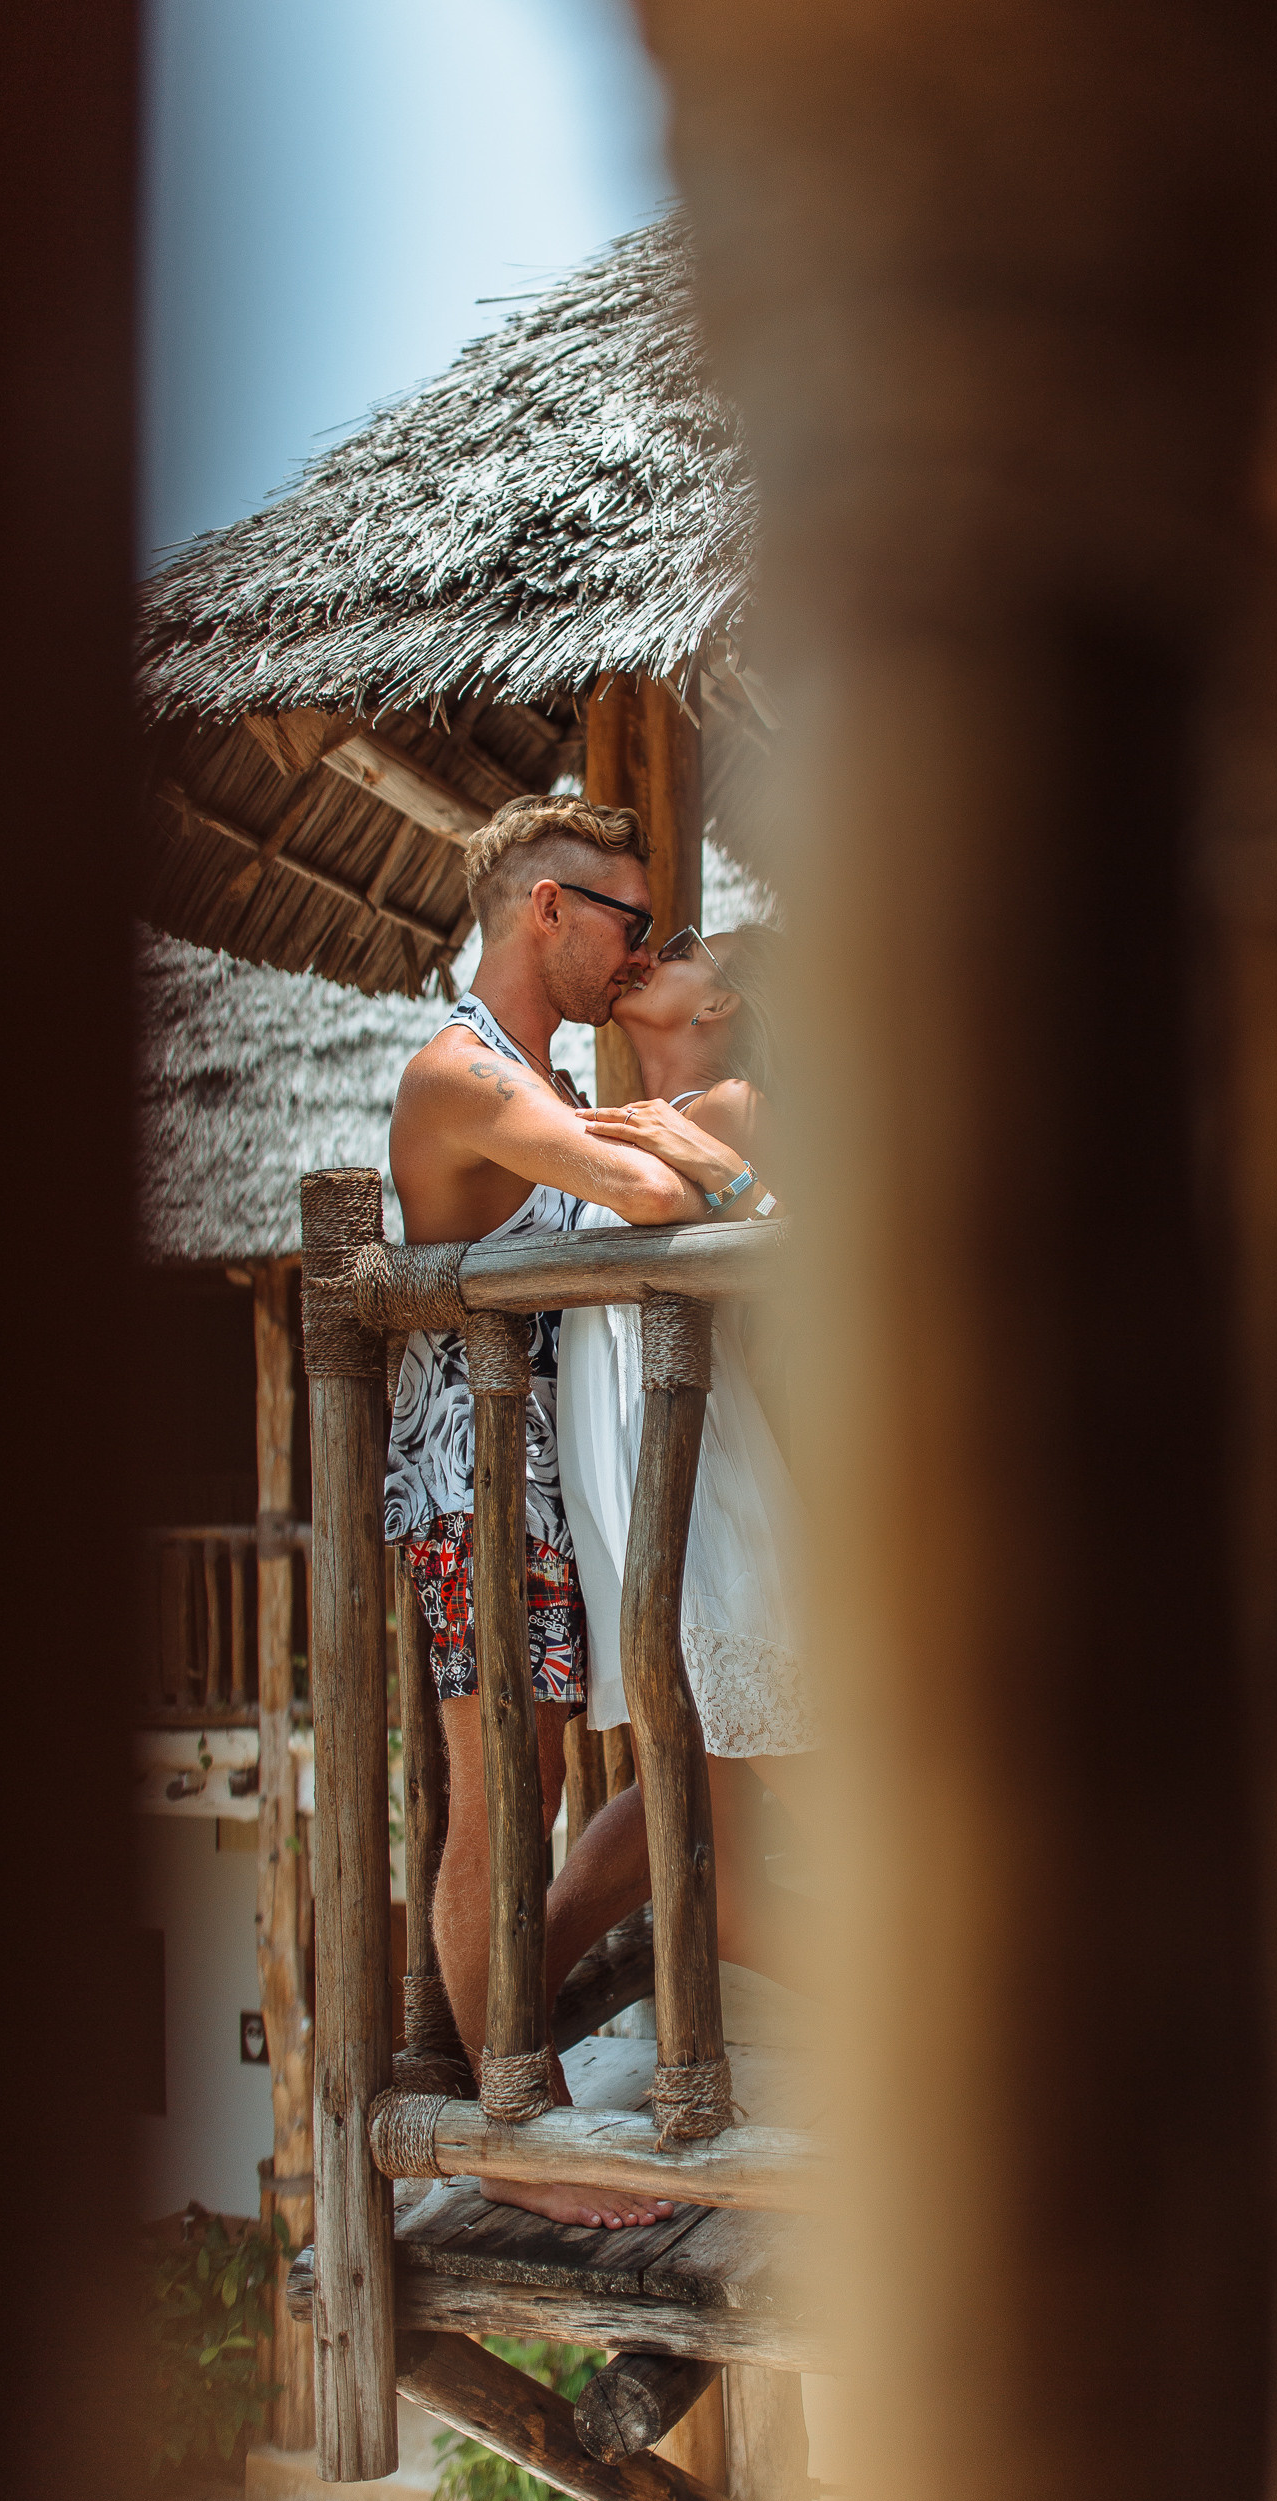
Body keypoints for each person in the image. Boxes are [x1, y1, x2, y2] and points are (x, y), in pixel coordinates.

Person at [385, 793, 765, 2230]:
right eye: (621, 919)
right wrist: (647, 1140)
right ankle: (514, 2136)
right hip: (477, 1493)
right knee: (501, 1799)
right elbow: (652, 1183)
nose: (633, 951)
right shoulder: (459, 1076)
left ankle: (516, 2067)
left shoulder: (529, 1083)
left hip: (554, 1489)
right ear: (545, 908)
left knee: (568, 1782)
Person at [557, 922, 829, 1998]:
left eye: (674, 945)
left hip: (703, 1488)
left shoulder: (733, 1112)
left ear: (714, 1007)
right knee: (705, 1795)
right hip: (647, 1482)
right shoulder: (653, 1120)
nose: (645, 952)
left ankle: (999, 2055)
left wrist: (721, 1178)